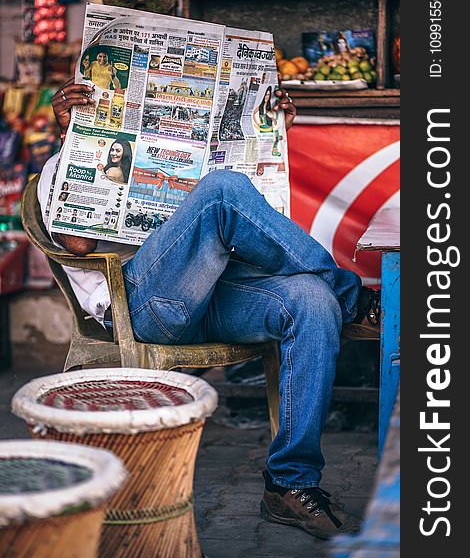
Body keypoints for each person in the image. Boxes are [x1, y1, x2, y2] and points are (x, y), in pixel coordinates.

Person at [46, 79, 380, 540]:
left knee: (312, 300)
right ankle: (354, 298)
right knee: (222, 190)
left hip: (217, 296)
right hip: (143, 307)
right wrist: (73, 146)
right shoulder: (56, 169)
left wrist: (268, 133)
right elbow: (77, 243)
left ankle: (290, 484)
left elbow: (258, 212)